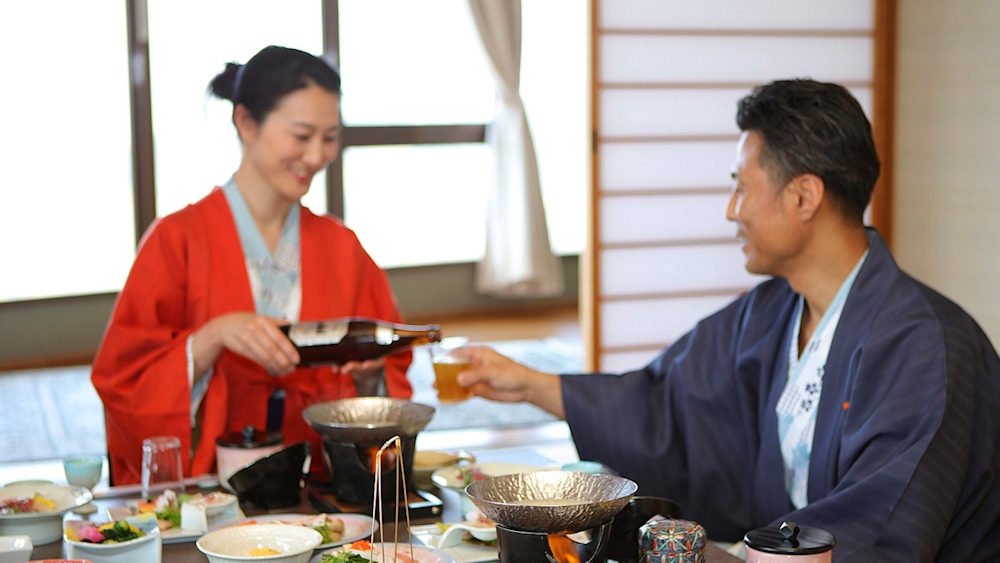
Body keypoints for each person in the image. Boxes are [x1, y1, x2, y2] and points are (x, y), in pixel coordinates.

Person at [456, 79, 1000, 562]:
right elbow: (664, 403)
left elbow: (886, 520)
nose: (730, 209)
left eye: (742, 185)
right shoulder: (769, 313)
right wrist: (529, 383)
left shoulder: (927, 347)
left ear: (804, 195)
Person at [91, 46, 413, 485]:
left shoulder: (343, 247)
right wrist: (211, 337)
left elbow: (392, 368)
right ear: (246, 122)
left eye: (330, 137)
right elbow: (124, 382)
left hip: (320, 490)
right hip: (211, 491)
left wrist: (370, 381)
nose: (317, 156)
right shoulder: (176, 239)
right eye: (302, 136)